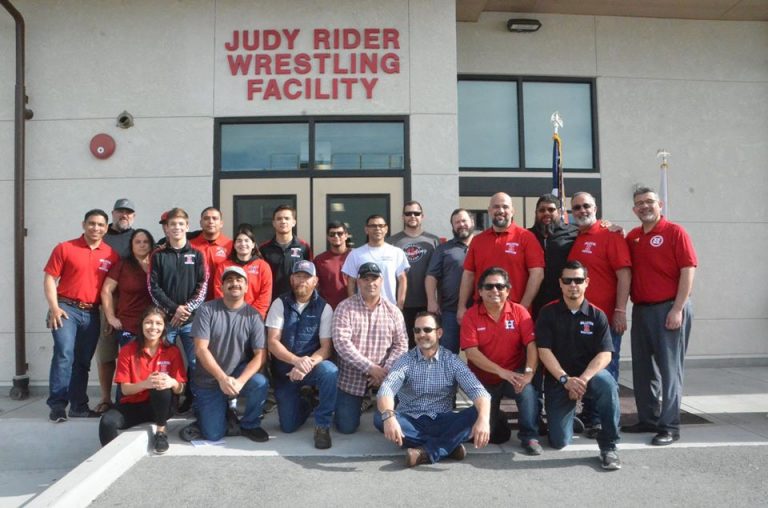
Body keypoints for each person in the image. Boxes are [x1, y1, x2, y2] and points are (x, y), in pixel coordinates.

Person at [623, 187, 697, 446]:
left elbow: (688, 270)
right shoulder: (632, 237)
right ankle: (648, 418)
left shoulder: (675, 232)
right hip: (642, 309)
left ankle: (669, 425)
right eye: (639, 203)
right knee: (643, 369)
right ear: (634, 209)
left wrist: (678, 309)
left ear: (660, 204)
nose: (644, 206)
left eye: (649, 202)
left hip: (670, 308)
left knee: (669, 369)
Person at [536, 260, 622, 470]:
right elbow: (543, 351)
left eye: (578, 280)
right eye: (568, 280)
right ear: (560, 283)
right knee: (559, 442)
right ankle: (569, 420)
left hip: (588, 378)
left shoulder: (597, 315)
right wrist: (566, 380)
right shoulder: (548, 313)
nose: (573, 284)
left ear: (586, 283)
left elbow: (606, 354)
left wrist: (582, 380)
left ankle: (609, 446)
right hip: (559, 380)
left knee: (608, 384)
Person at [375, 311, 491, 467]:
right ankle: (449, 446)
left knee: (481, 412)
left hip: (443, 420)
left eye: (427, 330)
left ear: (439, 332)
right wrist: (389, 417)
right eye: (417, 330)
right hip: (411, 421)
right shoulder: (405, 360)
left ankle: (427, 452)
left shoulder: (451, 361)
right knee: (380, 417)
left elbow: (478, 391)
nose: (421, 334)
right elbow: (387, 389)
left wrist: (483, 420)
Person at [44, 209, 120, 422]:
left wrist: (107, 316)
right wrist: (54, 307)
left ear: (106, 228)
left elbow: (109, 290)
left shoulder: (110, 254)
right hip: (66, 309)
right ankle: (58, 405)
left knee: (83, 361)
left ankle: (78, 405)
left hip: (92, 313)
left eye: (100, 225)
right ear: (84, 224)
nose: (96, 228)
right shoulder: (65, 248)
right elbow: (50, 278)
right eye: (92, 223)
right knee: (64, 354)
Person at [461, 267, 542, 454]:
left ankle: (529, 436)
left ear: (508, 289)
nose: (494, 291)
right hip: (483, 381)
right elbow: (471, 353)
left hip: (512, 377)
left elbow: (531, 345)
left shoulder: (520, 312)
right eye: (488, 286)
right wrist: (500, 371)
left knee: (527, 391)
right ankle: (497, 417)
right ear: (480, 291)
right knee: (487, 435)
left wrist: (528, 373)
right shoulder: (471, 316)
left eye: (500, 286)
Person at [189, 266, 270, 442]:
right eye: (230, 280)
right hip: (210, 379)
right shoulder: (206, 310)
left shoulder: (254, 316)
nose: (235, 284)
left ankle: (250, 424)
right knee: (213, 434)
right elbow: (201, 349)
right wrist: (221, 378)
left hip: (236, 375)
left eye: (239, 280)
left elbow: (261, 354)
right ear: (222, 286)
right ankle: (217, 413)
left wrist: (240, 381)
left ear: (247, 287)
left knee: (260, 383)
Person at [266, 260, 338, 449]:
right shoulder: (279, 303)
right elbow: (272, 342)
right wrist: (296, 361)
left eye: (307, 277)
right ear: (291, 279)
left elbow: (326, 348)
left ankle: (322, 425)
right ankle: (307, 401)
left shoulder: (325, 308)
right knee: (288, 427)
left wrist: (307, 365)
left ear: (315, 281)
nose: (302, 281)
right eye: (298, 276)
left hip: (311, 367)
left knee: (330, 371)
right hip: (285, 370)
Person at [332, 262, 408, 434]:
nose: (370, 283)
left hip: (385, 376)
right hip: (352, 378)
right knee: (346, 427)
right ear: (358, 282)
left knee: (384, 422)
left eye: (374, 278)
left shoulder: (393, 311)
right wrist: (370, 368)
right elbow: (341, 344)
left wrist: (385, 370)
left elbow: (401, 344)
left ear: (381, 281)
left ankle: (376, 400)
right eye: (365, 279)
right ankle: (361, 401)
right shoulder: (345, 307)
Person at [98, 306, 186, 454]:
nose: (153, 327)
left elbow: (181, 388)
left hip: (161, 407)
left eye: (158, 323)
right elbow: (125, 389)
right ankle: (111, 456)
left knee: (161, 383)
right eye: (148, 322)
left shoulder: (172, 351)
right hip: (133, 406)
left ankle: (161, 433)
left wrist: (172, 382)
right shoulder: (128, 350)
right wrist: (146, 383)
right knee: (107, 422)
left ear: (164, 328)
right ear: (141, 325)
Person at [148, 207, 208, 412]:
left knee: (195, 363)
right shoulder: (158, 255)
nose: (176, 228)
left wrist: (187, 310)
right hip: (167, 321)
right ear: (166, 228)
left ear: (187, 226)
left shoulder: (198, 254)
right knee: (162, 362)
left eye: (181, 224)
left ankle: (197, 403)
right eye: (172, 224)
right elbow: (153, 287)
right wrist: (174, 310)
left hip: (192, 321)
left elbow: (203, 285)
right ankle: (166, 404)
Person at [568, 192, 631, 380]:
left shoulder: (611, 235)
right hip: (580, 319)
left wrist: (620, 310)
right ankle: (590, 410)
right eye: (577, 208)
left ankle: (608, 411)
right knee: (586, 372)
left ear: (595, 209)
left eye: (586, 206)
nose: (582, 210)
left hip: (606, 320)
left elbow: (625, 276)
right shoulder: (576, 237)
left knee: (606, 374)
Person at [457, 192, 544, 322]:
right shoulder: (477, 240)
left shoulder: (526, 237)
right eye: (496, 207)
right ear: (489, 211)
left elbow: (537, 274)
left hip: (515, 314)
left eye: (505, 207)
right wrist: (461, 306)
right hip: (482, 312)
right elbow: (468, 274)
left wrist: (523, 307)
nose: (501, 210)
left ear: (513, 211)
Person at [100, 229, 155, 406]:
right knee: (129, 367)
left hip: (154, 326)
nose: (141, 245)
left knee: (150, 366)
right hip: (129, 325)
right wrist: (110, 317)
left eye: (145, 242)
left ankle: (148, 404)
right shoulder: (123, 265)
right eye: (137, 242)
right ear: (131, 245)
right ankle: (122, 405)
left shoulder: (157, 264)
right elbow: (107, 290)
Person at [94, 198, 138, 414]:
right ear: (112, 214)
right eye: (121, 211)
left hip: (132, 304)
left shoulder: (138, 238)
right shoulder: (102, 236)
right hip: (106, 303)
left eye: (128, 212)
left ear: (134, 216)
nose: (124, 215)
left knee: (130, 354)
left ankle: (129, 398)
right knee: (106, 354)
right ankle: (105, 398)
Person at [387, 201, 440, 347]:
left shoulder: (433, 241)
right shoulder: (392, 241)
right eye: (408, 213)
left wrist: (435, 300)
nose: (412, 216)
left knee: (427, 344)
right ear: (403, 217)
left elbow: (438, 273)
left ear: (422, 216)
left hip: (427, 303)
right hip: (401, 304)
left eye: (416, 213)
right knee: (403, 345)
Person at [425, 208, 475, 353]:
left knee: (480, 356)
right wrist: (431, 301)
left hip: (479, 312)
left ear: (472, 222)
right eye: (457, 222)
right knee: (447, 355)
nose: (461, 224)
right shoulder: (443, 249)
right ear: (452, 226)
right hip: (449, 312)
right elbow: (431, 276)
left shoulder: (482, 245)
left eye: (464, 221)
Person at [528, 194, 579, 320]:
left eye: (551, 209)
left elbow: (594, 231)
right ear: (536, 213)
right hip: (534, 304)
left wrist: (608, 226)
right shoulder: (526, 235)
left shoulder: (575, 233)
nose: (546, 213)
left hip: (564, 303)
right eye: (542, 210)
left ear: (560, 211)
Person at [341, 215, 409, 307]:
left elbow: (402, 280)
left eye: (381, 226)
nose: (377, 228)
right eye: (373, 226)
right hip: (362, 308)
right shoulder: (355, 254)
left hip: (389, 308)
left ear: (386, 229)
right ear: (366, 230)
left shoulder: (396, 252)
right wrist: (354, 305)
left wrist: (400, 305)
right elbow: (351, 282)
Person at [213, 225, 272, 319]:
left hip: (254, 317)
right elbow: (219, 291)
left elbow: (265, 295)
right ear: (234, 245)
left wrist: (253, 315)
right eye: (239, 241)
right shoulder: (224, 266)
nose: (243, 244)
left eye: (246, 240)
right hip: (228, 316)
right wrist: (230, 313)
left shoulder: (263, 266)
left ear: (253, 244)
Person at [260, 204, 313, 301]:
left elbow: (311, 276)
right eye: (279, 219)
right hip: (272, 302)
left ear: (294, 222)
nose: (283, 221)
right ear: (274, 223)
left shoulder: (304, 247)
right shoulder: (264, 249)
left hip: (297, 302)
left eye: (287, 218)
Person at [190, 207, 233, 300]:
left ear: (221, 223)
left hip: (222, 300)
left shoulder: (230, 245)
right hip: (193, 301)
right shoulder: (190, 245)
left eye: (215, 218)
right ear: (200, 223)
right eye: (206, 218)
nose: (210, 221)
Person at [314, 221, 351, 309]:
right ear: (328, 237)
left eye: (340, 233)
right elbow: (315, 287)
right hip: (327, 309)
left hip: (353, 308)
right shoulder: (319, 260)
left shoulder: (356, 256)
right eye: (332, 234)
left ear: (346, 236)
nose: (336, 236)